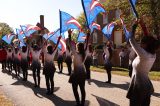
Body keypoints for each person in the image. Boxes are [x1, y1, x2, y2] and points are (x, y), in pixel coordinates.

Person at [126, 19, 159, 106]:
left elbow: (131, 39)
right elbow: (149, 39)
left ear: (146, 44)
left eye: (142, 42)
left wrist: (134, 25)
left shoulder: (143, 54)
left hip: (138, 87)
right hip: (146, 87)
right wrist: (142, 25)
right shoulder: (152, 54)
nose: (140, 44)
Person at [68, 29, 89, 106]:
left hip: (76, 74)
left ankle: (78, 102)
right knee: (82, 89)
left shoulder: (75, 54)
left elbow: (70, 44)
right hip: (82, 73)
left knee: (75, 89)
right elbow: (87, 45)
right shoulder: (85, 53)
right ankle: (82, 103)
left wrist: (69, 34)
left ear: (77, 47)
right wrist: (88, 34)